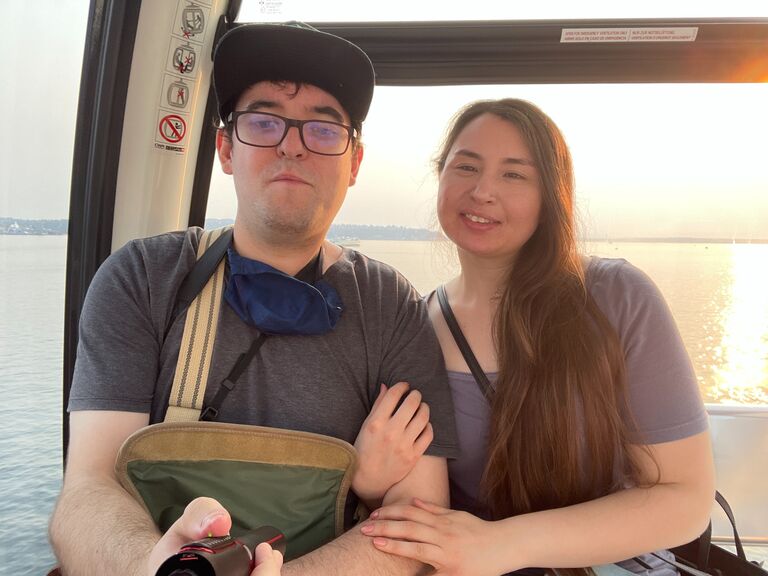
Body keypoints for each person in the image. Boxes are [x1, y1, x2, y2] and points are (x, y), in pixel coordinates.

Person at [48, 22, 457, 576]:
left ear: (354, 162)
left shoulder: (390, 305)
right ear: (224, 148)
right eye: (263, 122)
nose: (291, 143)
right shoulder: (142, 278)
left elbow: (420, 514)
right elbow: (87, 491)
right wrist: (150, 565)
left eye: (322, 128)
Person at [358, 98, 715, 575]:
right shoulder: (416, 326)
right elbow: (417, 510)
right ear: (440, 177)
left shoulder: (615, 298)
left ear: (551, 195)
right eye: (466, 166)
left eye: (514, 175)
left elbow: (686, 499)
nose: (483, 191)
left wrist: (505, 543)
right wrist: (367, 484)